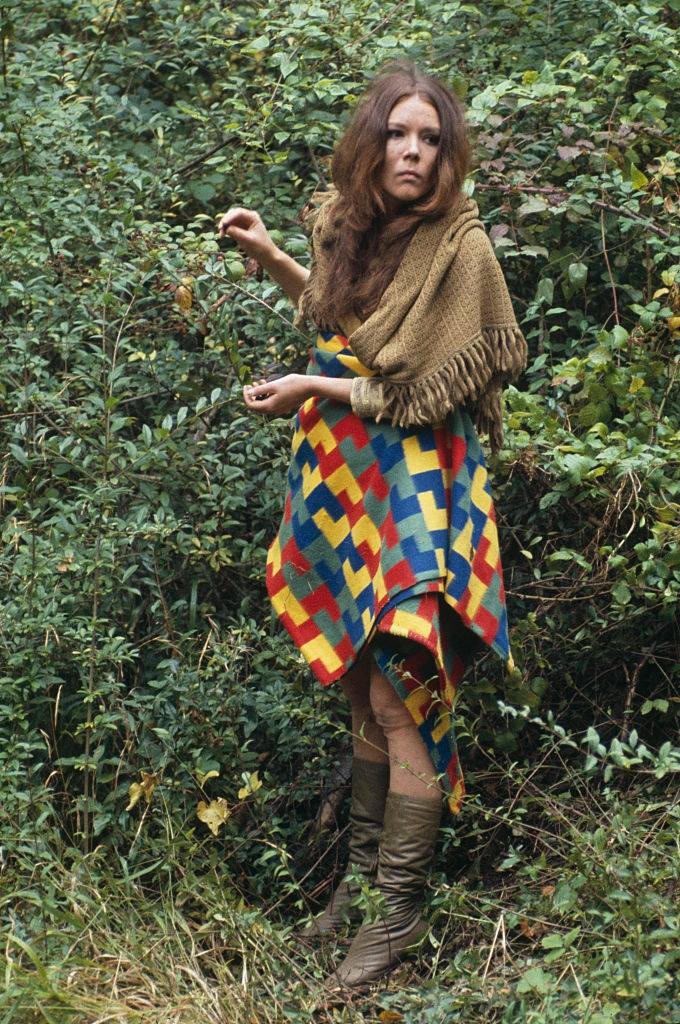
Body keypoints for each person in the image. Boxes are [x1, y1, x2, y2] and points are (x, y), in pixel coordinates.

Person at [218, 60, 527, 990]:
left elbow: (420, 388)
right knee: (362, 687)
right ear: (373, 142)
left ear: (447, 155)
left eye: (432, 139)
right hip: (357, 488)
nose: (415, 152)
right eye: (400, 133)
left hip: (425, 492)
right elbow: (344, 322)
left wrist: (313, 386)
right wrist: (274, 255)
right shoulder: (362, 234)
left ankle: (394, 919)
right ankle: (355, 894)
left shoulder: (461, 249)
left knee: (405, 696)